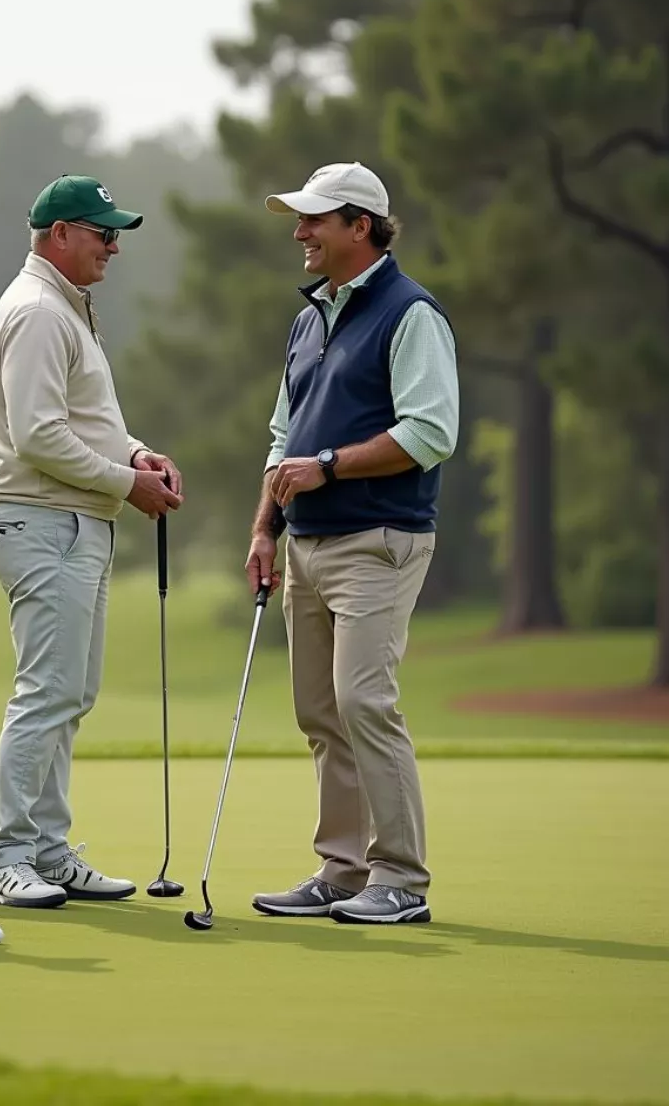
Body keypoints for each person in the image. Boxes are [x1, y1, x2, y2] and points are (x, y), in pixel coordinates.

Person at [246, 162, 459, 924]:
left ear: (359, 226)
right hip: (305, 543)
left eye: (314, 220)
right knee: (321, 712)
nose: (299, 232)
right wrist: (264, 526)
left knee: (364, 700)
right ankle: (342, 869)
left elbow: (430, 432)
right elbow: (282, 435)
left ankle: (400, 878)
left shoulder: (411, 314)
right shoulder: (310, 318)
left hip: (380, 538)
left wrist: (329, 466)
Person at [0, 174, 184, 909]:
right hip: (43, 520)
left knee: (71, 692)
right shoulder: (38, 311)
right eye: (102, 233)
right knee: (47, 692)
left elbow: (80, 419)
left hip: (73, 519)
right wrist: (127, 486)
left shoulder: (65, 307)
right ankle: (5, 855)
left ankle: (47, 849)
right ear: (59, 234)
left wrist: (133, 456)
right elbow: (37, 434)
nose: (114, 246)